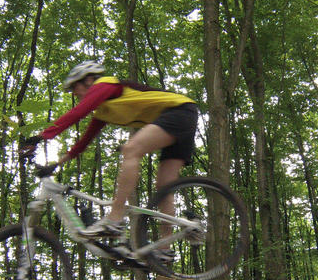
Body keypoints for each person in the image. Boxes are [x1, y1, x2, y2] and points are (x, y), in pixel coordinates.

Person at [22, 61, 198, 261]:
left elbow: (78, 113)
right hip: (184, 116)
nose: (74, 93)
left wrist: (41, 136)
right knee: (164, 187)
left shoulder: (106, 85)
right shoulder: (103, 111)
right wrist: (56, 165)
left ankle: (115, 219)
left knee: (131, 150)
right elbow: (83, 143)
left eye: (75, 87)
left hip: (179, 112)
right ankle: (165, 248)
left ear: (89, 80)